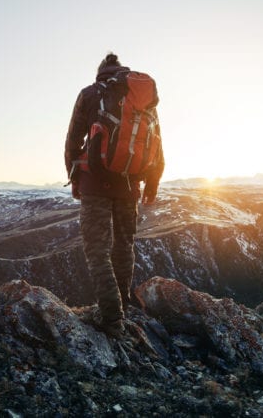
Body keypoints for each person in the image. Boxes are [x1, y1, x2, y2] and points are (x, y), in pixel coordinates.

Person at [64, 52, 164, 337]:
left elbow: (73, 139)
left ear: (100, 73)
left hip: (94, 181)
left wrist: (74, 178)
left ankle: (112, 319)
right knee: (124, 245)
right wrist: (153, 182)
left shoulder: (89, 94)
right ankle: (123, 303)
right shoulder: (142, 99)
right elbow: (157, 142)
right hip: (130, 184)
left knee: (97, 250)